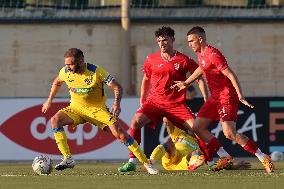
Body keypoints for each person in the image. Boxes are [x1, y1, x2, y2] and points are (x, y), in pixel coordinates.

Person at [172, 26, 274, 173]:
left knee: (229, 133)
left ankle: (263, 157)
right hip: (215, 98)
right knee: (197, 127)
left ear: (200, 39)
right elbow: (201, 68)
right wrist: (186, 83)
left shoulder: (213, 54)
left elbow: (231, 75)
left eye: (191, 41)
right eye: (188, 41)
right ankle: (224, 156)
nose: (189, 44)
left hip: (227, 97)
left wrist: (240, 96)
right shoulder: (201, 53)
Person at [42, 48, 158, 174]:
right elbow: (57, 82)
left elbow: (117, 87)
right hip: (76, 109)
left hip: (98, 111)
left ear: (81, 62)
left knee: (122, 136)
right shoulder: (65, 72)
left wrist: (116, 103)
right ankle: (67, 158)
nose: (68, 67)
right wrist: (49, 100)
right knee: (55, 120)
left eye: (70, 64)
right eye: (66, 64)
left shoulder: (96, 71)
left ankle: (146, 164)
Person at [118, 26, 210, 173]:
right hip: (155, 102)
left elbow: (199, 79)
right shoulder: (151, 59)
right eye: (159, 40)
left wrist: (206, 98)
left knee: (197, 129)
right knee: (135, 122)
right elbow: (146, 79)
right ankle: (132, 160)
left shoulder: (184, 60)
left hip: (176, 104)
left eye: (165, 40)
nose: (162, 43)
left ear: (172, 39)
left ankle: (211, 161)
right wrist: (142, 99)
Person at [150, 118, 251, 171]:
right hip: (172, 157)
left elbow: (216, 165)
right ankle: (150, 162)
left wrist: (233, 166)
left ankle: (194, 163)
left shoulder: (201, 145)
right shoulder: (180, 133)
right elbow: (167, 122)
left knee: (197, 152)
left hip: (184, 162)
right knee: (169, 143)